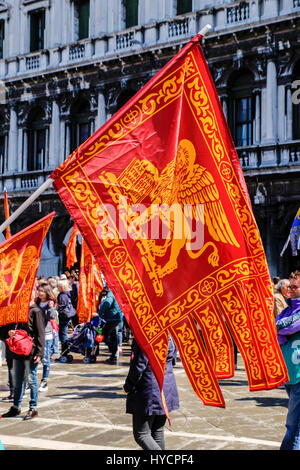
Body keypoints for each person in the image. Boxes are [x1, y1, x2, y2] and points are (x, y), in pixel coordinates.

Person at [123, 335, 179, 450]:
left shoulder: (146, 334)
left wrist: (128, 386)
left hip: (149, 389)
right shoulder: (170, 335)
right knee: (157, 431)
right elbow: (173, 360)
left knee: (142, 435)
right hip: (167, 385)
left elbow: (138, 365)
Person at [1, 292, 45, 420]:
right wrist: (9, 333)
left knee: (31, 380)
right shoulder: (15, 311)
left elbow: (40, 333)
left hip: (30, 351)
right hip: (16, 351)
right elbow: (5, 330)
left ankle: (33, 407)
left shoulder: (35, 311)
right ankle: (16, 406)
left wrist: (40, 352)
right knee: (17, 380)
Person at [276, 270, 300, 450]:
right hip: (289, 375)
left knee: (294, 428)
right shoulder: (287, 308)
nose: (290, 290)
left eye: (295, 287)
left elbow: (289, 326)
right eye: (289, 286)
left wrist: (279, 329)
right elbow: (274, 328)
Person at [36, 284, 57, 392]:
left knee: (45, 358)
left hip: (46, 333)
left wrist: (50, 306)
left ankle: (44, 381)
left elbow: (52, 316)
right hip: (36, 333)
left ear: (47, 292)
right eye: (39, 290)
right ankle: (30, 382)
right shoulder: (37, 302)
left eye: (42, 291)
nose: (40, 293)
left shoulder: (50, 303)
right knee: (33, 357)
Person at [97, 286, 123, 364]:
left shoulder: (111, 293)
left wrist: (100, 313)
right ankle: (114, 355)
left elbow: (107, 303)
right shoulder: (119, 292)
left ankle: (114, 352)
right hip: (118, 317)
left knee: (104, 336)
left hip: (111, 318)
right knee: (113, 336)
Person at [56, 279, 74, 359]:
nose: (57, 287)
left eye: (58, 286)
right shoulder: (67, 294)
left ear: (61, 287)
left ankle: (64, 351)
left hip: (63, 317)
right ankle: (65, 350)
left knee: (63, 335)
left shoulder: (62, 295)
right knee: (64, 334)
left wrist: (56, 309)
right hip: (67, 317)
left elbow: (62, 306)